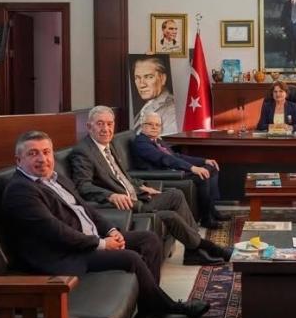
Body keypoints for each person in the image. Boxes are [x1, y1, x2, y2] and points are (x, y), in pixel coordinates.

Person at [1, 130, 209, 318]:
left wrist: (110, 230)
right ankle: (164, 308)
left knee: (148, 239)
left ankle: (148, 312)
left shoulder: (56, 178)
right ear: (18, 160)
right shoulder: (21, 190)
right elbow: (56, 232)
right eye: (33, 153)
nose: (42, 159)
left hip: (85, 240)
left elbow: (86, 209)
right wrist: (101, 244)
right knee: (130, 258)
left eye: (46, 152)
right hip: (62, 254)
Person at [69, 106, 231, 266]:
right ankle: (207, 248)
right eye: (100, 123)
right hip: (126, 206)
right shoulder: (83, 152)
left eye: (109, 124)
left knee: (175, 194)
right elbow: (83, 186)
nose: (105, 129)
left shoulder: (108, 145)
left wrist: (142, 186)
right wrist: (110, 195)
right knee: (170, 216)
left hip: (136, 196)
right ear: (89, 126)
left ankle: (193, 249)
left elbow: (123, 177)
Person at [132, 111, 231, 229]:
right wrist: (192, 168)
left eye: (157, 125)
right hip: (164, 175)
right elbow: (164, 159)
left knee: (211, 168)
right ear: (142, 126)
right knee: (201, 176)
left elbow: (176, 156)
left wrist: (203, 161)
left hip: (173, 169)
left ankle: (212, 210)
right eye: (150, 124)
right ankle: (206, 219)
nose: (154, 127)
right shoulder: (141, 143)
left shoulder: (157, 141)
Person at [131, 56, 179, 136]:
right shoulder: (148, 104)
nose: (142, 85)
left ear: (163, 78)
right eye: (137, 78)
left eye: (149, 77)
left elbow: (168, 141)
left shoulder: (172, 109)